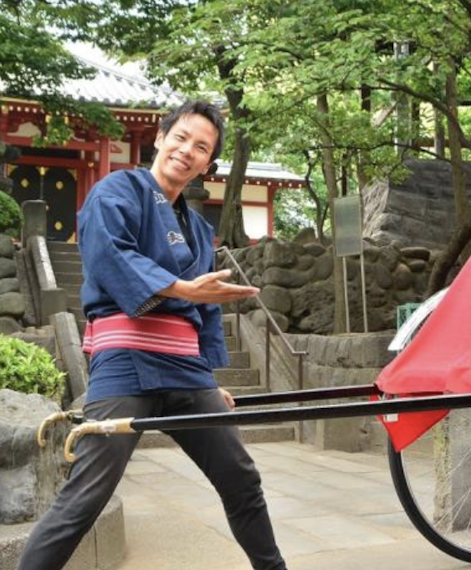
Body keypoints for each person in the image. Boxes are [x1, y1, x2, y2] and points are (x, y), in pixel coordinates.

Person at [17, 101, 287, 570]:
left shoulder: (200, 230)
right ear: (159, 137)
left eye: (201, 147)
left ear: (208, 164)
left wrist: (209, 377)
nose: (187, 151)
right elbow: (108, 255)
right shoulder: (117, 190)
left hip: (186, 370)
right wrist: (184, 288)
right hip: (124, 360)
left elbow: (202, 312)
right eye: (181, 138)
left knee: (241, 478)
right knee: (87, 493)